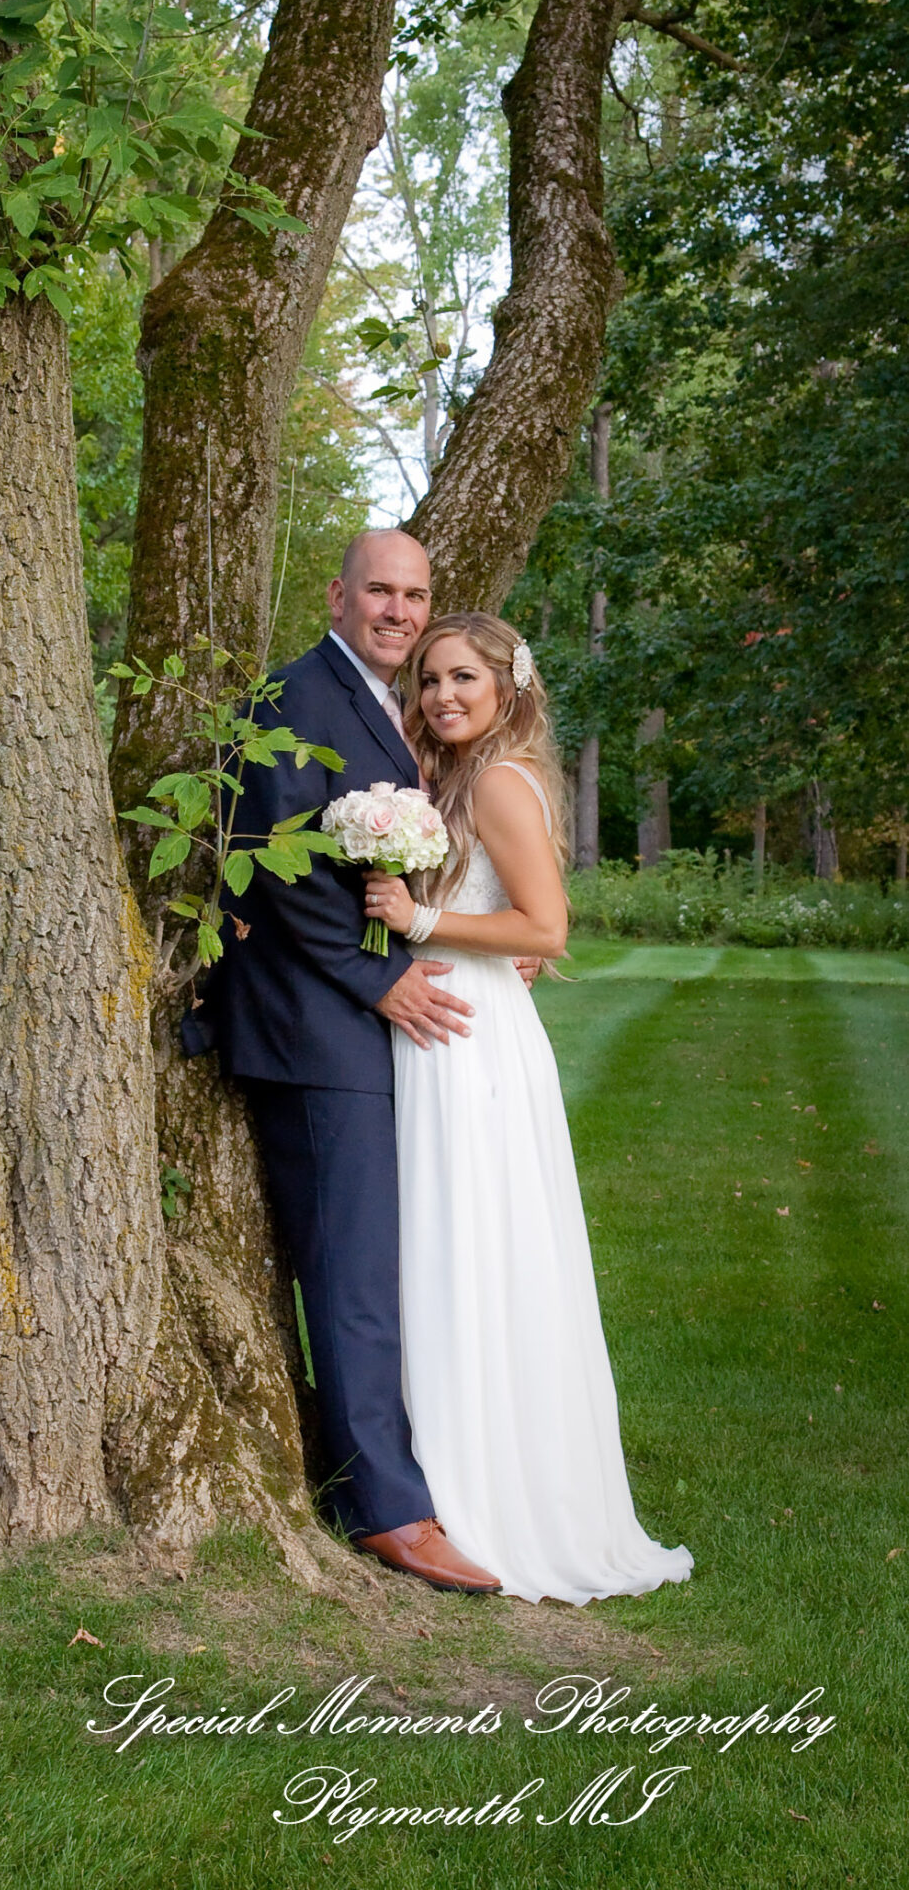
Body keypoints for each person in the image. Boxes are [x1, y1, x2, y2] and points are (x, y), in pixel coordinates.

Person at [183, 530, 503, 1592]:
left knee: (376, 1258)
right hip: (311, 1032)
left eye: (415, 594)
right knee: (353, 1269)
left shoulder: (382, 705)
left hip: (354, 1027)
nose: (400, 610)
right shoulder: (292, 695)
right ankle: (386, 1511)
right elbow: (269, 863)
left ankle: (386, 1468)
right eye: (381, 590)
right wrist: (377, 981)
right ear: (339, 593)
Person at [363, 611, 694, 1606]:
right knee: (440, 1246)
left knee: (478, 1243)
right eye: (427, 679)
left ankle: (493, 1494)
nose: (441, 695)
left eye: (462, 677)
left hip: (473, 1043)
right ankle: (443, 1466)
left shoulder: (501, 780)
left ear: (509, 687)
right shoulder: (444, 779)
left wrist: (420, 918)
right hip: (438, 1028)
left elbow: (543, 921)